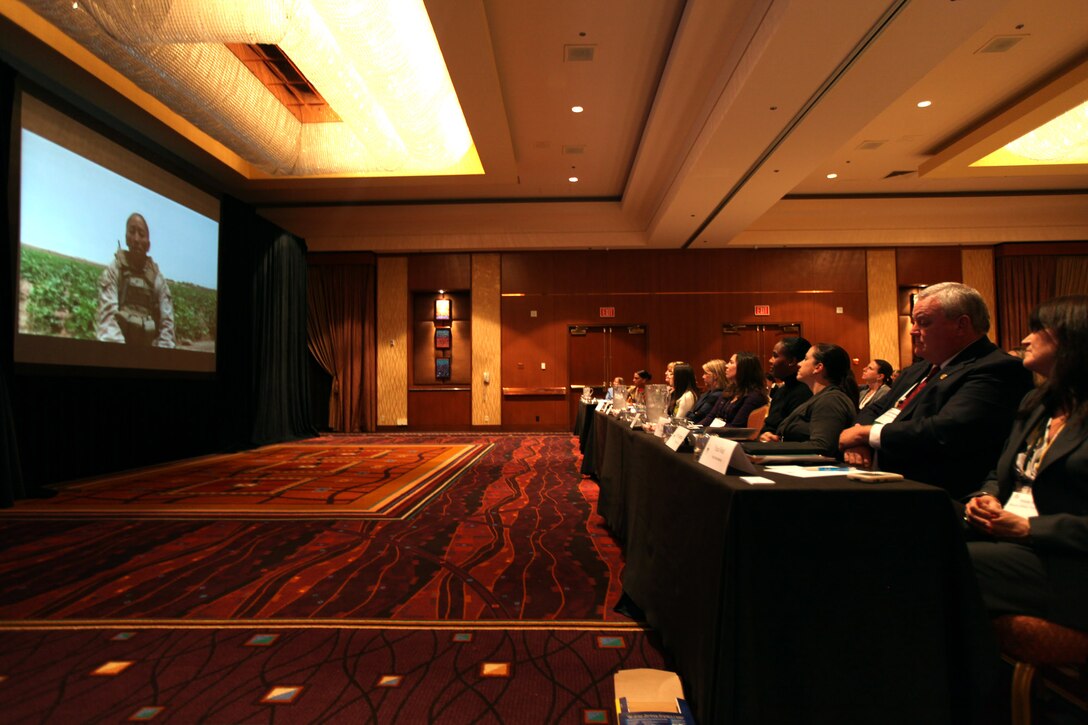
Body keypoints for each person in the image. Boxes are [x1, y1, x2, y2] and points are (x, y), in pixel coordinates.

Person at [964, 295, 1088, 632]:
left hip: (1064, 558)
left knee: (939, 562)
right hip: (1007, 532)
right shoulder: (1038, 402)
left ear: (1072, 340)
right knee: (916, 526)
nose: (1025, 339)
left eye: (1038, 330)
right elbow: (1004, 470)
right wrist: (987, 496)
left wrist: (1031, 529)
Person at [839, 282, 1034, 497]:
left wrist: (867, 435)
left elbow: (949, 430)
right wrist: (860, 442)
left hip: (933, 494)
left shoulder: (996, 368)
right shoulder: (919, 368)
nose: (913, 331)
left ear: (962, 325)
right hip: (877, 479)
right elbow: (875, 409)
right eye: (913, 322)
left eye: (923, 323)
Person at [744, 343, 858, 457]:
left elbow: (822, 446)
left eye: (806, 359)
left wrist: (773, 447)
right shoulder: (821, 397)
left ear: (818, 367)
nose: (799, 364)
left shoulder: (832, 400)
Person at [96, 212, 175, 348]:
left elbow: (167, 326)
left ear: (148, 245)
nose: (136, 239)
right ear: (126, 238)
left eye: (141, 234)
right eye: (132, 232)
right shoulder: (114, 270)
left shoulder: (157, 279)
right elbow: (108, 321)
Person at [695, 351, 767, 427]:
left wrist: (708, 432)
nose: (726, 365)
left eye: (731, 362)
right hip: (718, 434)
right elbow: (711, 417)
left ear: (743, 368)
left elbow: (736, 427)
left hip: (733, 437)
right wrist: (694, 429)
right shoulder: (729, 390)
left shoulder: (754, 396)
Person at [759, 336, 813, 435]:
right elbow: (770, 426)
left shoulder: (804, 393)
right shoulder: (781, 390)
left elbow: (794, 434)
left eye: (775, 356)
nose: (770, 360)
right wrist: (766, 434)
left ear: (792, 361)